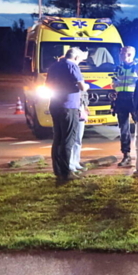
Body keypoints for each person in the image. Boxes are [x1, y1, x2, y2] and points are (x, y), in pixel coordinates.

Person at [45, 47, 88, 184]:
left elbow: (48, 85)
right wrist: (86, 86)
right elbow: (81, 86)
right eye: (80, 60)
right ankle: (67, 172)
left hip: (55, 105)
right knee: (68, 139)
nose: (80, 62)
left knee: (57, 139)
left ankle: (58, 170)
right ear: (75, 58)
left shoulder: (54, 66)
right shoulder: (72, 66)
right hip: (69, 106)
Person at [112, 45, 138, 166]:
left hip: (135, 99)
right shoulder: (117, 68)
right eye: (123, 54)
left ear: (133, 55)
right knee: (123, 129)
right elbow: (114, 83)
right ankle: (126, 155)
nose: (125, 56)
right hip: (121, 99)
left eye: (128, 54)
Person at [70, 86, 89, 173]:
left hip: (80, 112)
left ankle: (76, 162)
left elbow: (84, 95)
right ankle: (70, 164)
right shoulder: (69, 80)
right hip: (71, 110)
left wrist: (85, 106)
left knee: (78, 140)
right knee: (71, 140)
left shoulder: (79, 78)